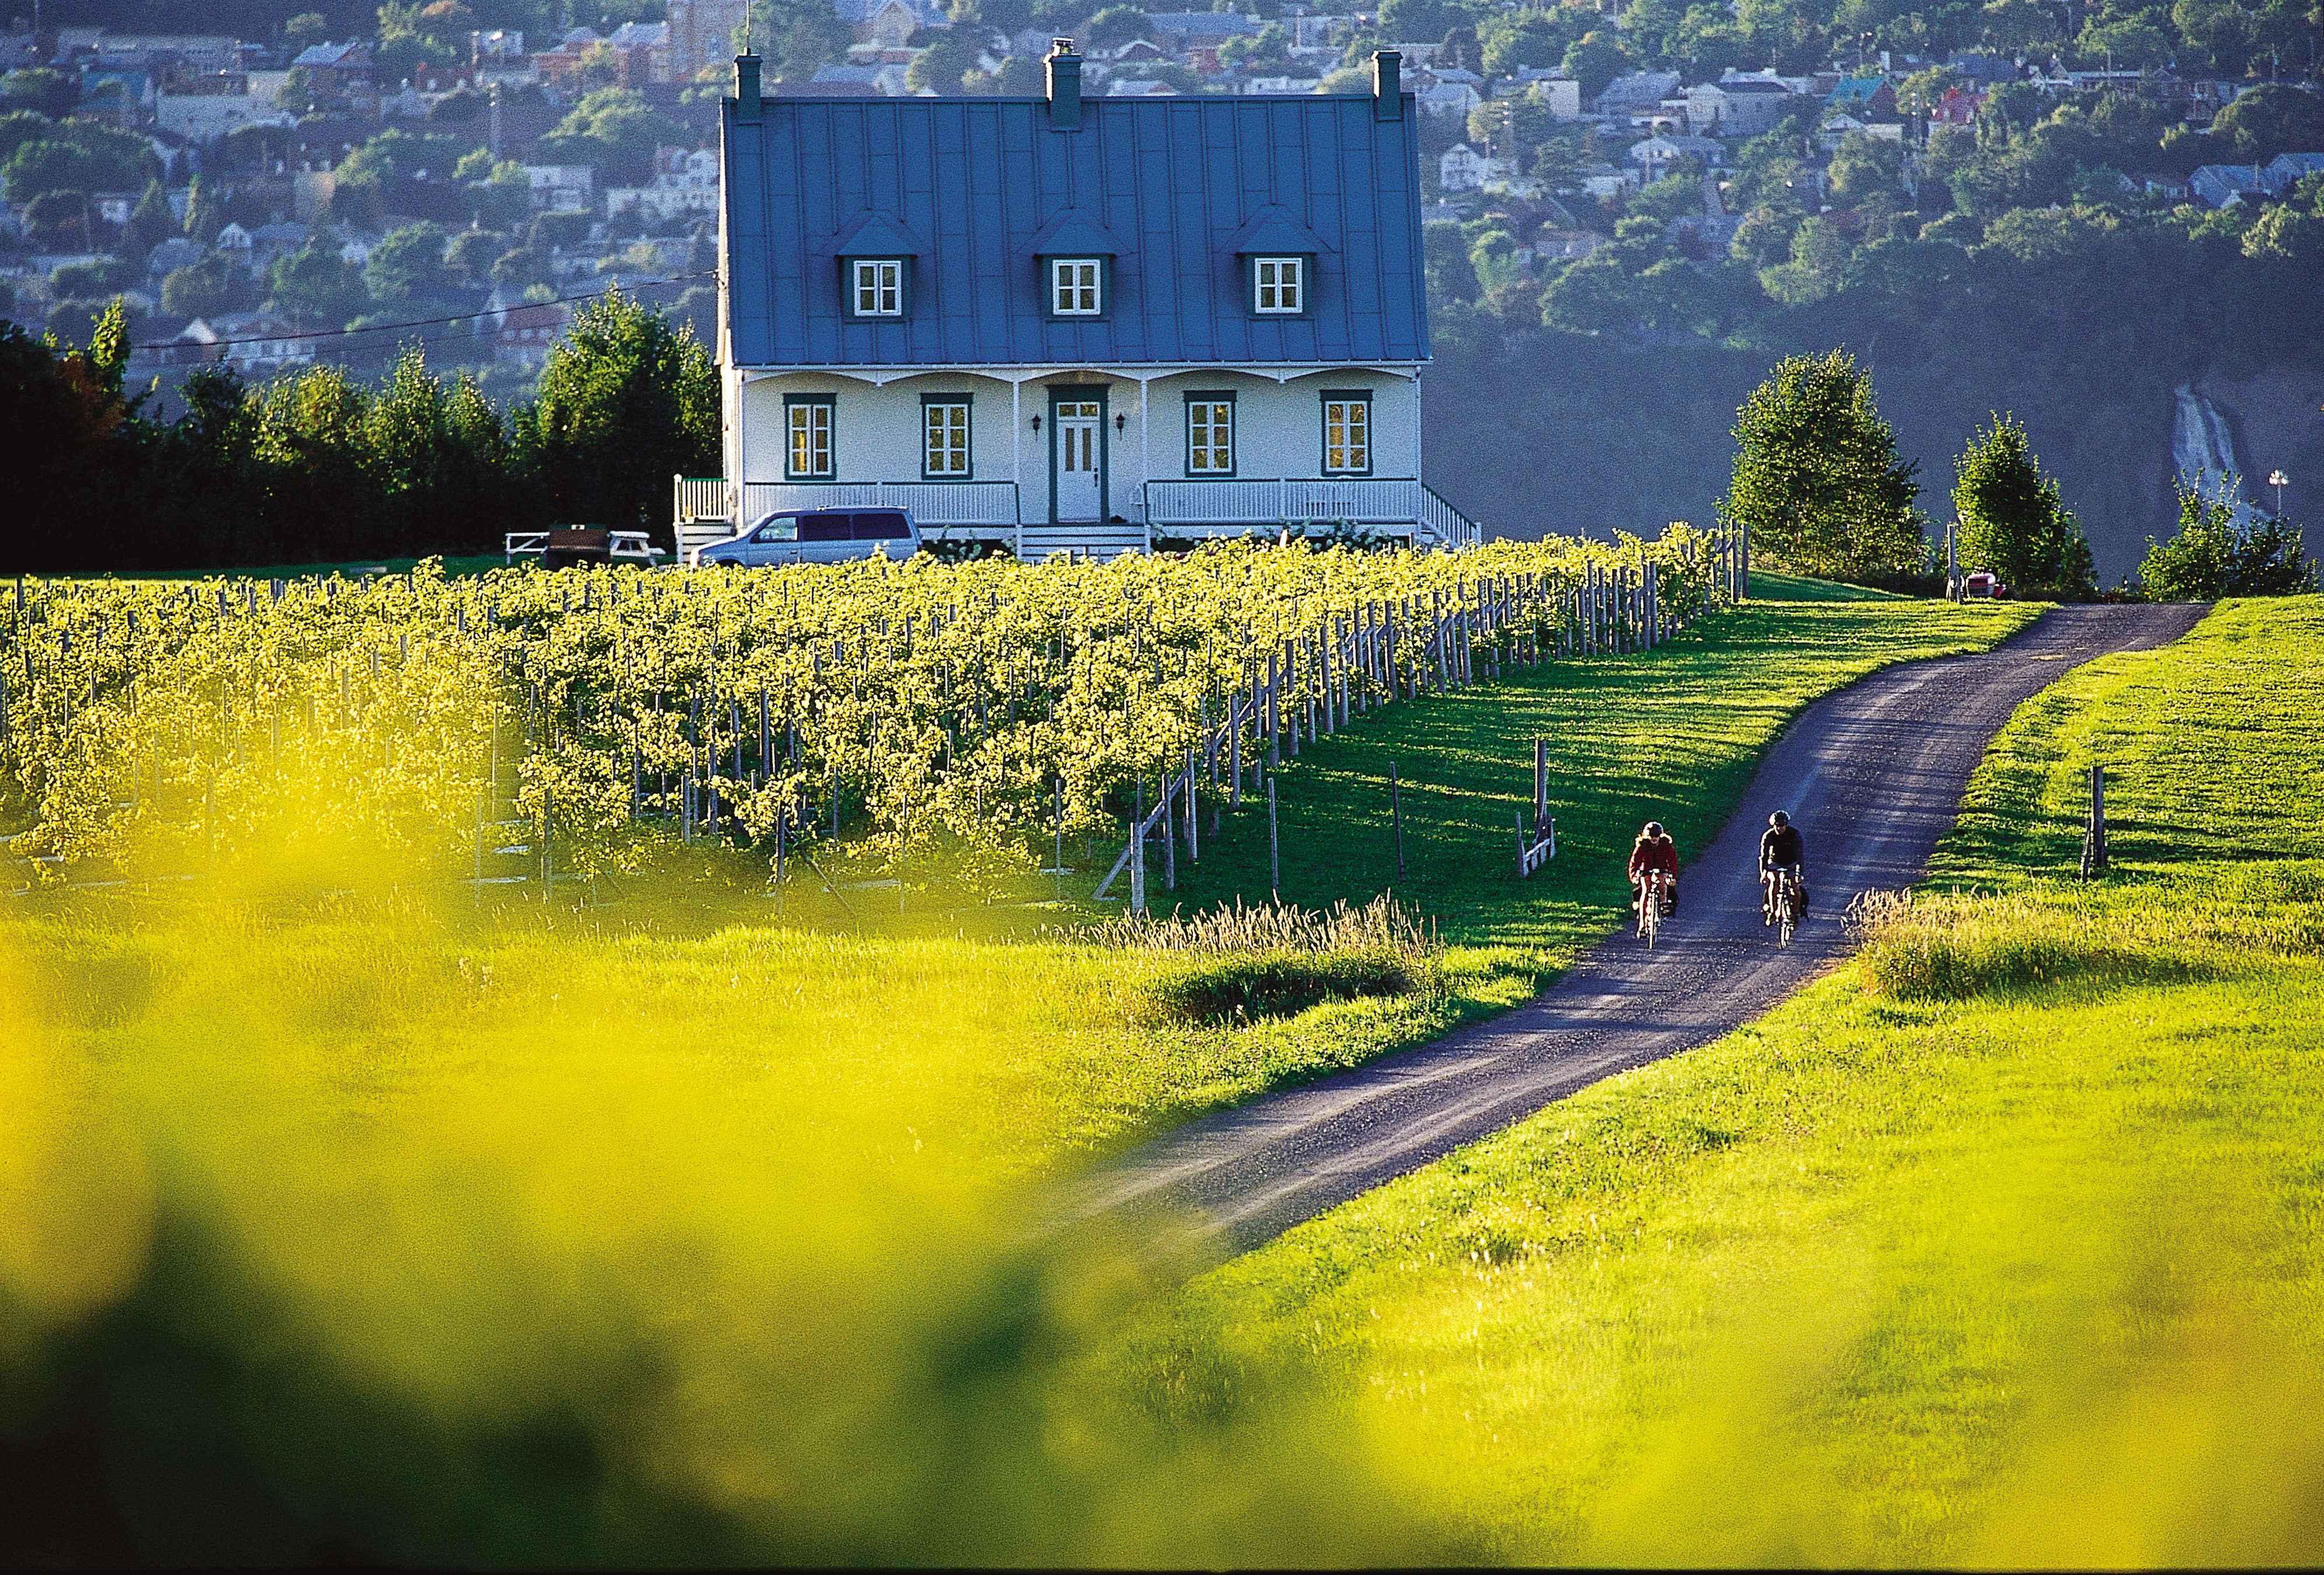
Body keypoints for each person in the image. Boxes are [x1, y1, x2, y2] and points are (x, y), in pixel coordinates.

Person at [1759, 810, 1807, 925]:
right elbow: (1764, 856)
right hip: (1775, 862)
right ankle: (1772, 911)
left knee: (1794, 886)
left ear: (1786, 825)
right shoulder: (1769, 836)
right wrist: (1764, 873)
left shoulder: (1795, 835)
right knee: (1774, 882)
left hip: (1791, 862)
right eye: (1777, 826)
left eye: (1782, 826)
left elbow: (1800, 856)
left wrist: (1799, 874)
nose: (1779, 828)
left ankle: (1795, 914)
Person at [1628, 820, 1679, 918]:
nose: (1654, 838)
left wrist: (1672, 876)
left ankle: (1663, 902)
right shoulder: (1642, 846)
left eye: (1656, 836)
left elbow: (1672, 862)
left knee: (1662, 881)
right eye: (1651, 836)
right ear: (1647, 836)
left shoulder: (1666, 845)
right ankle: (1642, 924)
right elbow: (1635, 862)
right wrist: (1634, 875)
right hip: (1647, 869)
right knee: (1646, 890)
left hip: (1662, 868)